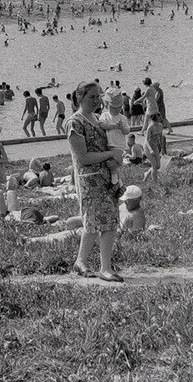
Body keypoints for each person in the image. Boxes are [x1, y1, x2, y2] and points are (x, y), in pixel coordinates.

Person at [66, 81, 124, 282]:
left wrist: (115, 161)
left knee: (107, 221)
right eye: (91, 97)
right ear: (80, 98)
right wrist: (110, 154)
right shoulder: (75, 123)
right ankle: (102, 267)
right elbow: (82, 157)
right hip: (89, 181)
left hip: (105, 177)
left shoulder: (97, 119)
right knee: (95, 222)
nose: (96, 100)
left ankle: (86, 263)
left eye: (98, 96)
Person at [98, 88, 129, 189]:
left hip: (118, 144)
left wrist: (122, 128)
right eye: (113, 108)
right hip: (108, 143)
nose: (116, 110)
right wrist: (113, 126)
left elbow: (127, 131)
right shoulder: (105, 116)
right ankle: (118, 181)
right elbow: (101, 125)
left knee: (113, 163)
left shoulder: (123, 118)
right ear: (107, 106)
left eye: (118, 108)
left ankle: (115, 178)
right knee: (109, 161)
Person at [142, 113, 163, 184]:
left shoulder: (160, 126)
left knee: (158, 166)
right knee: (154, 165)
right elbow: (146, 140)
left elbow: (160, 137)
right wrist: (150, 150)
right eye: (158, 117)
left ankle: (146, 175)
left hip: (155, 146)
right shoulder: (150, 127)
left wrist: (162, 148)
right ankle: (155, 183)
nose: (159, 118)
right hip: (148, 147)